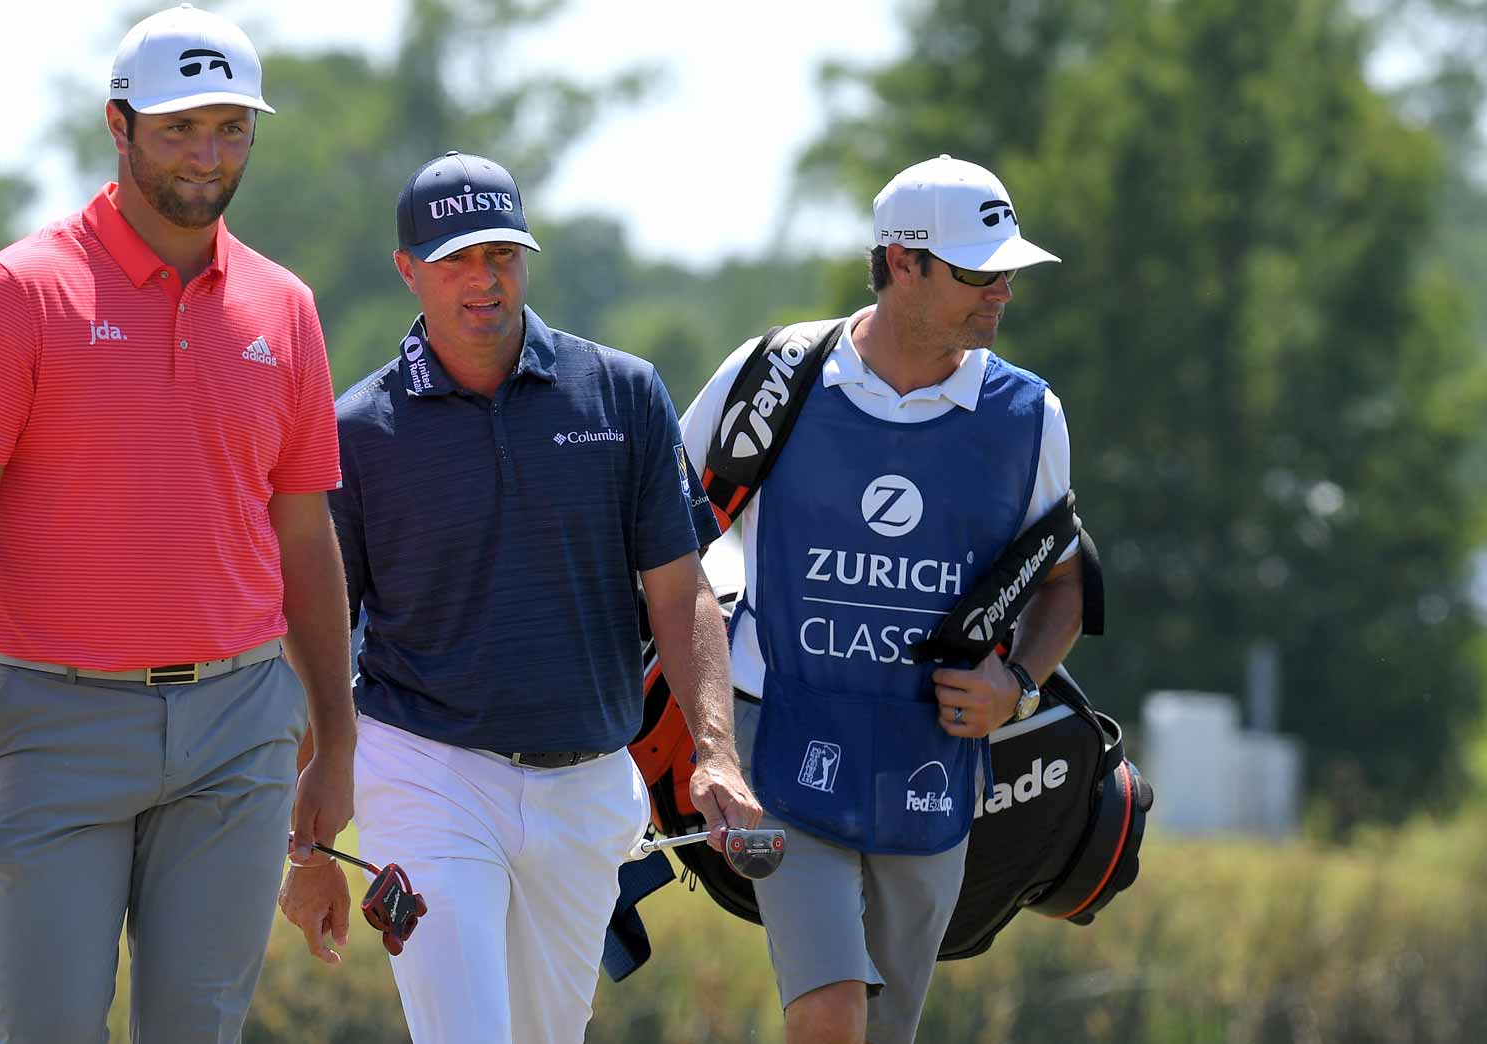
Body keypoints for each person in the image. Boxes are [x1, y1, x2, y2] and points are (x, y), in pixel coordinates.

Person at [0, 5, 355, 1040]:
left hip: (240, 724)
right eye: (179, 127)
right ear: (119, 125)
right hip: (55, 723)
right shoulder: (18, 293)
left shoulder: (285, 307)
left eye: (230, 128)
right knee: (46, 1026)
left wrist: (335, 737)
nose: (207, 154)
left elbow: (304, 537)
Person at [276, 150, 762, 1044]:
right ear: (407, 270)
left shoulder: (622, 393)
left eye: (500, 253)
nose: (484, 279)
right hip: (425, 772)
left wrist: (717, 753)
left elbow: (681, 590)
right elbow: (317, 638)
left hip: (589, 781)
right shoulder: (357, 432)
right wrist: (307, 845)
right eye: (456, 259)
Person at [678, 154, 1086, 1044]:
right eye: (979, 272)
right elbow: (666, 544)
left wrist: (1016, 684)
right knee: (829, 1014)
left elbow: (1065, 582)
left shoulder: (1029, 416)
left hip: (932, 760)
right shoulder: (775, 374)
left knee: (885, 1029)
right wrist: (707, 735)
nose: (1002, 292)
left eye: (1010, 272)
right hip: (781, 743)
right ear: (903, 262)